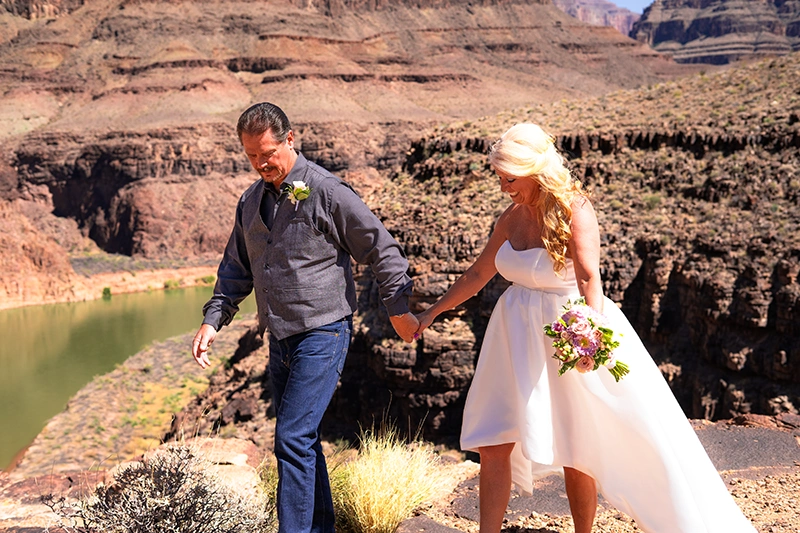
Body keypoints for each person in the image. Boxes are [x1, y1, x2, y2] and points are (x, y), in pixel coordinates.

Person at [414, 123, 756, 533]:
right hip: (513, 334)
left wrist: (590, 338)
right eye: (499, 178)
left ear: (535, 170)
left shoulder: (574, 209)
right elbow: (477, 274)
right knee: (493, 436)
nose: (504, 187)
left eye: (510, 178)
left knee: (578, 444)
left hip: (567, 330)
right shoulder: (510, 217)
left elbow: (589, 278)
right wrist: (431, 313)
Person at [191, 102, 419, 533]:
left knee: (291, 439)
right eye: (251, 156)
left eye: (268, 153)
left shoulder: (327, 191)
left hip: (323, 332)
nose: (261, 164)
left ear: (290, 139)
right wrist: (213, 319)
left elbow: (381, 248)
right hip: (278, 340)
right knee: (305, 441)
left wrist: (398, 310)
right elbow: (236, 269)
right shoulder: (250, 201)